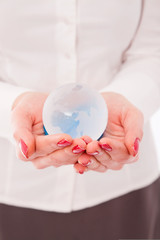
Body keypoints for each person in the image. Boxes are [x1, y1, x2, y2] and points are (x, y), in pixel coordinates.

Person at [0, 0, 160, 239]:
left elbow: (152, 50)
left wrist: (128, 101)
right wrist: (12, 108)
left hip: (125, 190)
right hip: (10, 190)